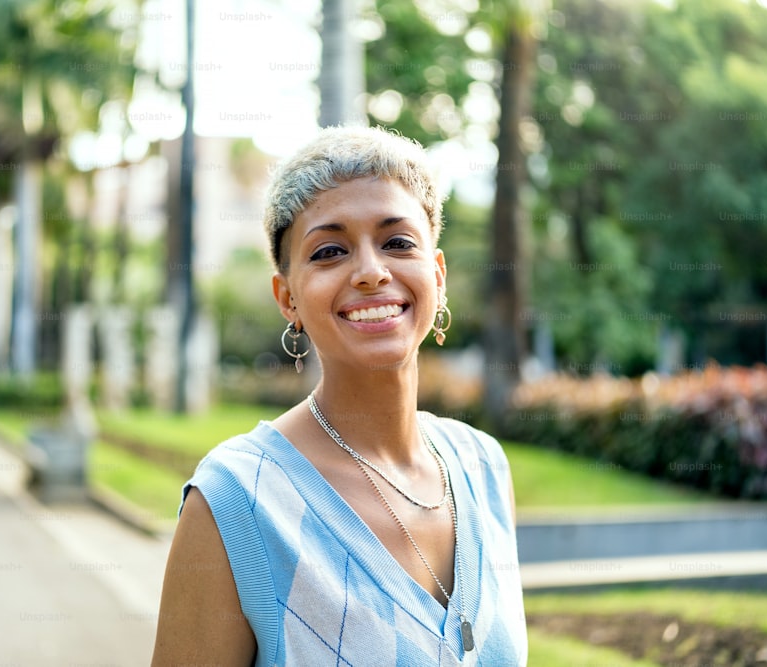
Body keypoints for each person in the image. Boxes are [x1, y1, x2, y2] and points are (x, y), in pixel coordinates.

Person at [151, 126, 527, 666]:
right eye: (330, 251)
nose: (372, 272)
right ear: (288, 298)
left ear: (437, 276)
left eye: (398, 242)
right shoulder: (237, 500)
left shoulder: (483, 469)